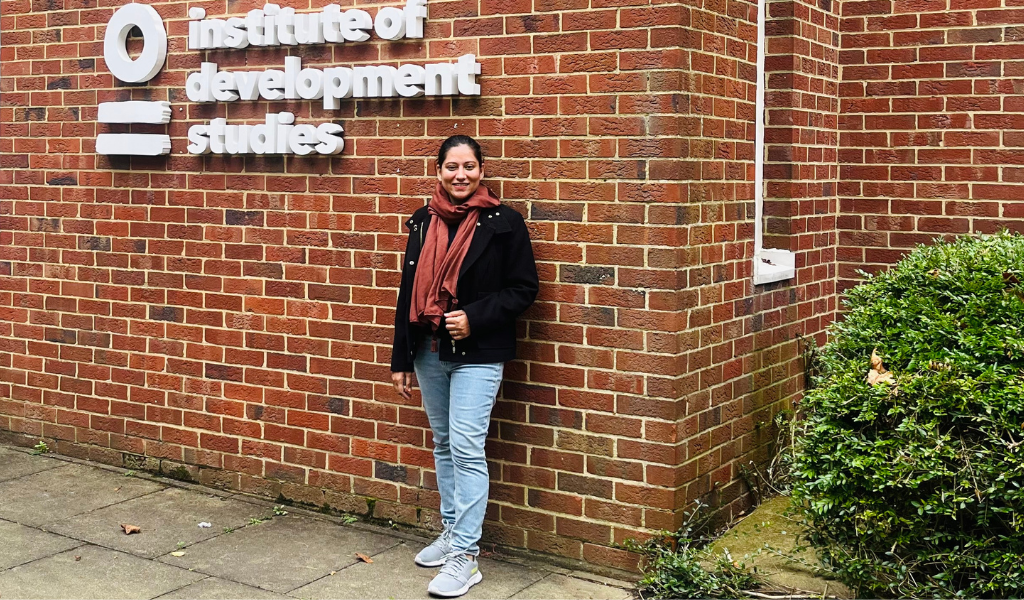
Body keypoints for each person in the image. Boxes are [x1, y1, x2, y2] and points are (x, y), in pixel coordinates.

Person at [390, 135, 538, 597]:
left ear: (482, 170)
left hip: (479, 355)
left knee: (468, 450)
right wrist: (401, 358)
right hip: (429, 352)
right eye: (451, 166)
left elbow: (523, 288)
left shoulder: (504, 223)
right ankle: (452, 530)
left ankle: (465, 557)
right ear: (438, 171)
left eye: (469, 166)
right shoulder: (422, 221)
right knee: (445, 444)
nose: (461, 175)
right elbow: (407, 292)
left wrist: (474, 317)